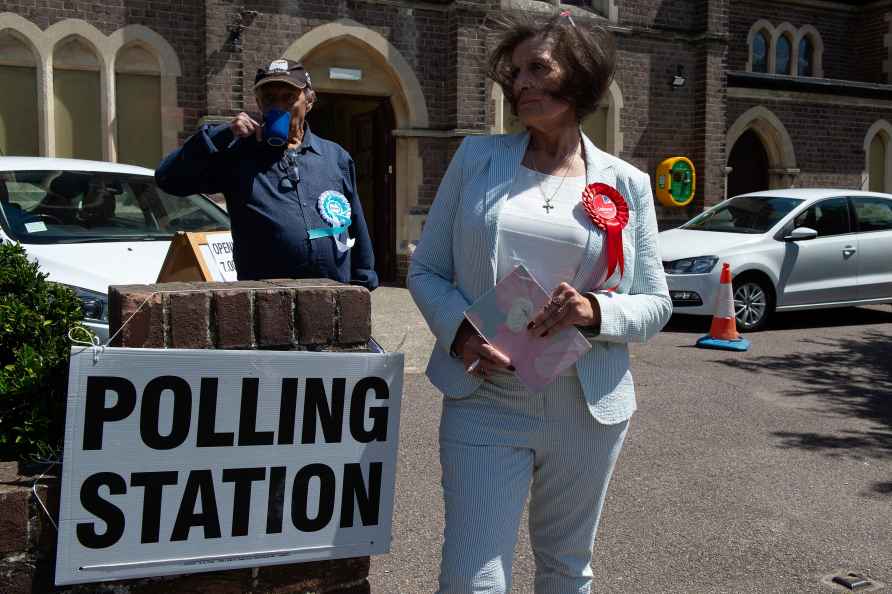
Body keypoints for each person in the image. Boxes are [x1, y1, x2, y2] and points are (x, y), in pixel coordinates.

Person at [407, 11, 671, 594]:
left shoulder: (626, 182)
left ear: (579, 78)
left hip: (585, 403)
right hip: (486, 393)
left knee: (566, 567)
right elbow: (425, 271)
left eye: (539, 69)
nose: (522, 83)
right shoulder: (476, 160)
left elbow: (655, 302)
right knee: (473, 569)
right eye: (516, 71)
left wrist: (595, 312)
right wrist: (461, 332)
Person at [156, 59, 377, 289]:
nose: (279, 106)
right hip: (266, 302)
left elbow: (354, 220)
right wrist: (221, 134)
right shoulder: (238, 155)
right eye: (270, 98)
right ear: (259, 104)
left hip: (334, 296)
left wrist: (363, 280)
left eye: (289, 97)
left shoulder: (335, 156)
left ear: (309, 101)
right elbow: (168, 179)